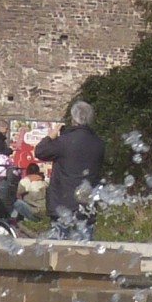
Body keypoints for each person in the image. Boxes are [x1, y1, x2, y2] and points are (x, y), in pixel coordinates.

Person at [35, 101, 105, 240]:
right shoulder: (98, 144)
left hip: (63, 204)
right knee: (84, 254)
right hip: (86, 205)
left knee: (57, 252)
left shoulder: (64, 141)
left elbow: (40, 152)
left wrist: (51, 136)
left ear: (73, 119)